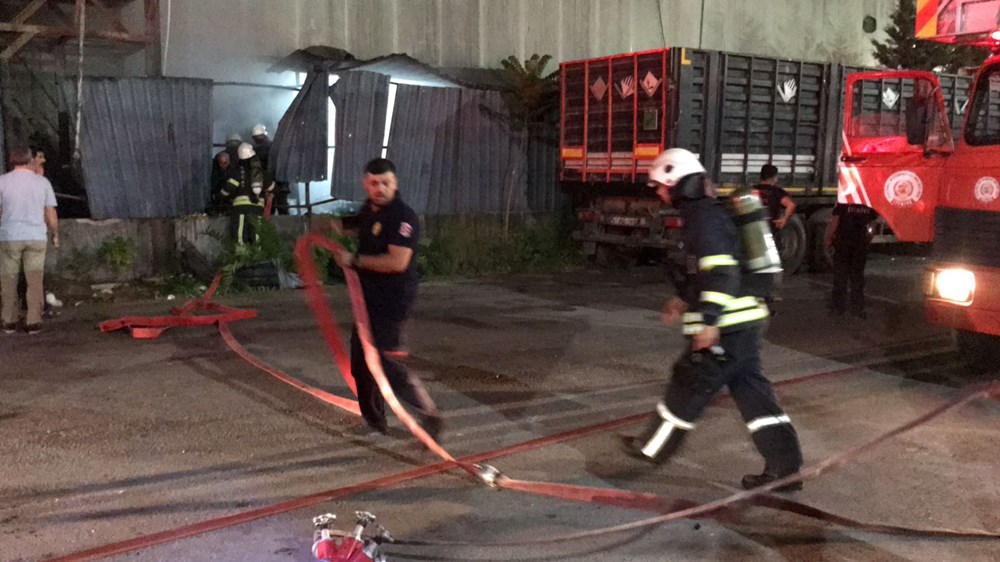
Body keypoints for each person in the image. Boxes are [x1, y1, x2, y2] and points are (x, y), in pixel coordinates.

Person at [622, 148, 803, 492]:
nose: (661, 193)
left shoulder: (704, 220)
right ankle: (786, 468)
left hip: (727, 326)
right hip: (744, 322)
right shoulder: (705, 217)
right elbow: (707, 272)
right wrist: (683, 299)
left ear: (681, 185)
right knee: (754, 395)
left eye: (664, 186)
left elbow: (722, 273)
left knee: (689, 383)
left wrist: (708, 320)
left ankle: (650, 449)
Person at [330, 157, 442, 439]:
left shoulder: (403, 217)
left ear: (396, 183)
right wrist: (323, 231)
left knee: (387, 363)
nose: (379, 189)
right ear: (365, 184)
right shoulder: (370, 210)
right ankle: (374, 420)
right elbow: (350, 224)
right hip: (366, 300)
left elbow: (396, 262)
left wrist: (352, 259)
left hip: (393, 302)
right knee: (360, 364)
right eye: (373, 183)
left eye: (385, 183)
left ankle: (429, 413)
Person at [0, 146, 59, 334]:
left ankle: (8, 321)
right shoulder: (42, 183)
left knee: (9, 279)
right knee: (34, 280)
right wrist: (55, 232)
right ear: (29, 160)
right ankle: (33, 321)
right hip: (36, 237)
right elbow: (50, 211)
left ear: (11, 161)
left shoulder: (2, 182)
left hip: (10, 237)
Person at [824, 202, 876, 318]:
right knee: (857, 277)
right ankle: (857, 308)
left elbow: (835, 221)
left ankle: (838, 308)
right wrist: (867, 240)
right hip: (860, 245)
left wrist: (829, 238)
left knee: (840, 277)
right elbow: (872, 227)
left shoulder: (843, 204)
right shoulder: (867, 205)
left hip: (843, 244)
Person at [220, 142, 274, 245]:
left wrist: (220, 196)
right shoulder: (260, 171)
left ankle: (241, 257)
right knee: (256, 234)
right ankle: (258, 256)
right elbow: (273, 188)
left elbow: (228, 189)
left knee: (239, 234)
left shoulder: (236, 171)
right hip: (257, 208)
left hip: (240, 208)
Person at [252, 123, 290, 215]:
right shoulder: (276, 146)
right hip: (281, 181)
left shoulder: (256, 150)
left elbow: (258, 168)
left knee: (269, 208)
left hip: (268, 182)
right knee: (282, 206)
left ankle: (269, 227)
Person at [208, 150, 232, 216]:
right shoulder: (214, 172)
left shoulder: (233, 172)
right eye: (221, 163)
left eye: (225, 163)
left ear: (229, 162)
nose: (223, 165)